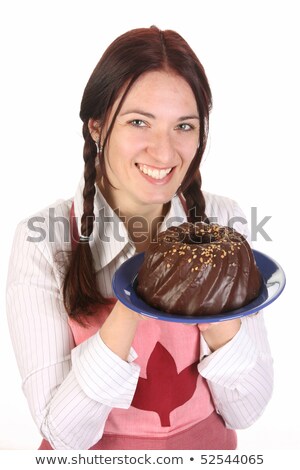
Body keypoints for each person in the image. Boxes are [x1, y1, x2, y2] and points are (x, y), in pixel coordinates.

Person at [6, 26, 273, 450]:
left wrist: (207, 286)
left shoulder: (223, 220)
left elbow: (246, 410)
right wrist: (135, 297)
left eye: (183, 126)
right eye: (138, 122)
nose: (165, 154)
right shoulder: (46, 239)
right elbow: (63, 436)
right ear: (96, 127)